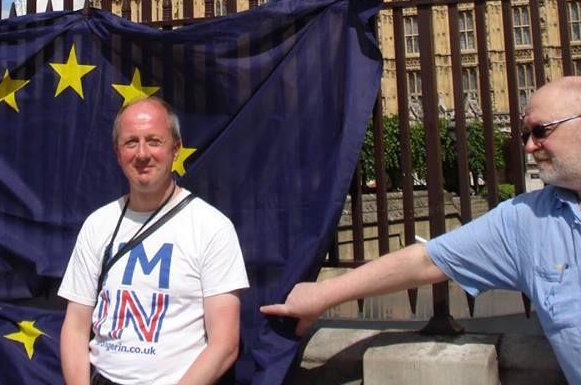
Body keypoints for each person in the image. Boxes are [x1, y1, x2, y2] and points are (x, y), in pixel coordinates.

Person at [261, 76, 581, 385]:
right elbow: (426, 261)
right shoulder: (526, 220)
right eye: (526, 133)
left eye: (540, 131)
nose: (528, 146)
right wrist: (320, 295)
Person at [59, 97, 248, 385]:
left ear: (176, 148)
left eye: (154, 141)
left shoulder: (212, 228)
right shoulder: (97, 225)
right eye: (131, 142)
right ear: (117, 152)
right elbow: (75, 325)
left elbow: (224, 344)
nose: (142, 153)